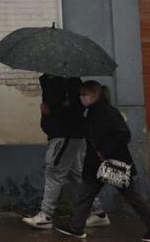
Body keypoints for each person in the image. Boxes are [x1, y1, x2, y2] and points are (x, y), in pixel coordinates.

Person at [56, 80, 150, 242]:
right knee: (85, 195)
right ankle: (76, 227)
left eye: (84, 95)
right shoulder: (91, 112)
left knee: (132, 197)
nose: (82, 98)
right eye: (81, 95)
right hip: (95, 166)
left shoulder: (108, 112)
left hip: (114, 165)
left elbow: (124, 134)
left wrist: (105, 152)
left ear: (94, 95)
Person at [22, 75, 109, 230]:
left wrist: (49, 112)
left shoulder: (63, 82)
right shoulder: (62, 80)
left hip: (64, 135)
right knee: (76, 175)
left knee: (54, 172)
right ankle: (99, 213)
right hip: (69, 134)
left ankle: (46, 216)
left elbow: (71, 109)